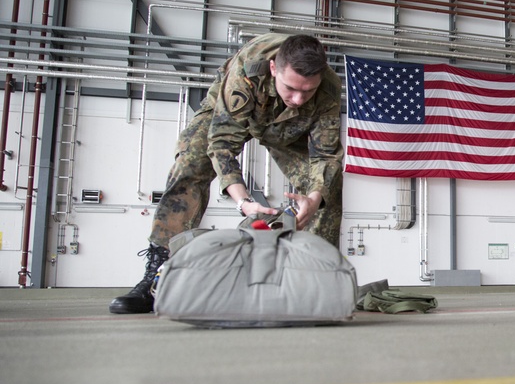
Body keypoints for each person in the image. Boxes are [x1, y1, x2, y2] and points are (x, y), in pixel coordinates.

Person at [109, 33, 344, 314]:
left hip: (289, 131)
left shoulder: (328, 87)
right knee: (191, 161)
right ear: (273, 68)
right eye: (291, 88)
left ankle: (318, 282)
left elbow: (326, 156)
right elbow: (221, 142)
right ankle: (159, 274)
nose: (298, 98)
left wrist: (314, 199)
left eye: (308, 91)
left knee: (328, 186)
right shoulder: (249, 67)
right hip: (229, 114)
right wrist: (243, 201)